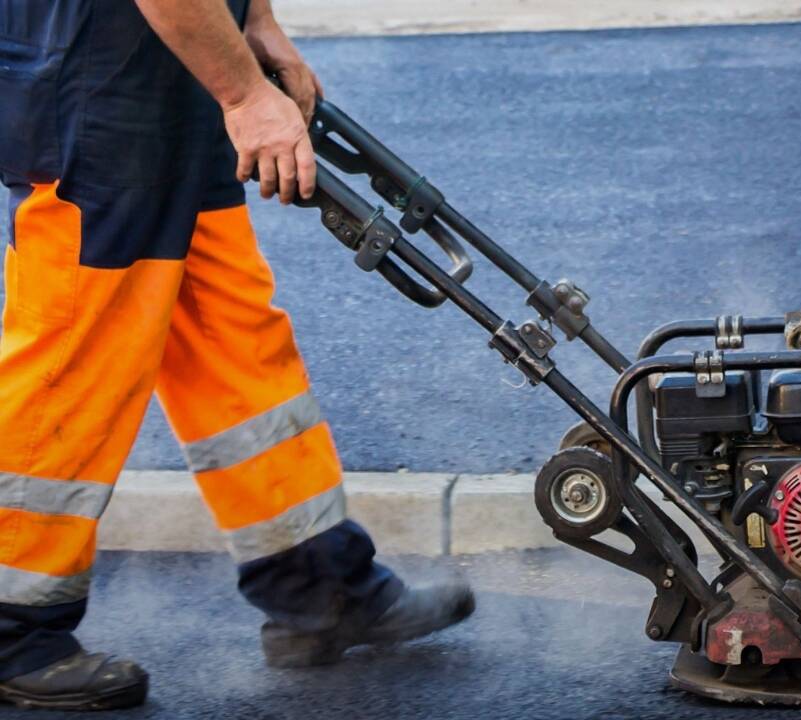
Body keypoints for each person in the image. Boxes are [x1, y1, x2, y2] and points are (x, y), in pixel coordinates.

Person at [0, 0, 474, 710]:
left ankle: (316, 581)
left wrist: (254, 20)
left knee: (234, 343)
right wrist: (245, 91)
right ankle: (11, 624)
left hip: (163, 72)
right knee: (73, 361)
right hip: (92, 87)